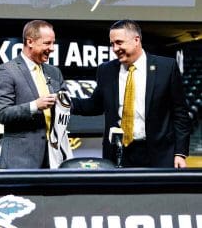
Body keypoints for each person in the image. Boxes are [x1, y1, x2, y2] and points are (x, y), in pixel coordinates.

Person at [71, 19, 191, 168]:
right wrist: (63, 102)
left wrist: (180, 153)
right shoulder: (106, 70)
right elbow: (93, 105)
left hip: (159, 154)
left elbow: (180, 113)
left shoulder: (166, 67)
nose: (115, 48)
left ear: (136, 40)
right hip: (118, 153)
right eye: (112, 44)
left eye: (119, 42)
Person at [0, 20, 67, 169]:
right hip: (21, 160)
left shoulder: (54, 72)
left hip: (55, 157)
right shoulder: (7, 70)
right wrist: (35, 106)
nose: (52, 48)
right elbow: (2, 113)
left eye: (53, 43)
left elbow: (66, 104)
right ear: (30, 42)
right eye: (47, 43)